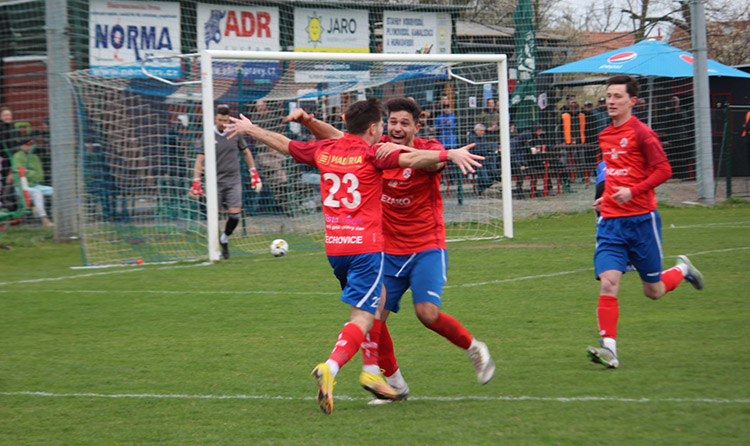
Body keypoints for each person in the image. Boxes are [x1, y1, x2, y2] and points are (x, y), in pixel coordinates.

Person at [225, 97, 483, 415]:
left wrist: (251, 128)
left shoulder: (327, 150)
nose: (396, 128)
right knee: (364, 317)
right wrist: (451, 153)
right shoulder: (375, 153)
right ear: (377, 127)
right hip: (369, 248)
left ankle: (386, 376)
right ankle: (341, 369)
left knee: (388, 309)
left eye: (404, 122)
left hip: (340, 247)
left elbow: (287, 143)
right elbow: (411, 158)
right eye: (391, 122)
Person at [587, 75, 704, 369]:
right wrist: (607, 198)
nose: (611, 101)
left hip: (642, 222)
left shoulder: (643, 133)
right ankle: (609, 350)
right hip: (611, 222)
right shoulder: (604, 135)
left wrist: (633, 191)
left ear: (632, 101)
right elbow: (615, 173)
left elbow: (664, 170)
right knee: (609, 282)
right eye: (608, 96)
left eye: (617, 97)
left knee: (653, 291)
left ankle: (683, 268)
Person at [189, 104, 262, 259]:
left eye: (225, 120)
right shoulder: (208, 135)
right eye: (220, 120)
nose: (222, 123)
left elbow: (247, 153)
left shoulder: (235, 133)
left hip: (233, 180)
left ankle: (225, 238)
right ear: (215, 118)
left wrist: (254, 173)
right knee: (214, 217)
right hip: (214, 182)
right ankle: (213, 248)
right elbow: (200, 159)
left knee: (235, 216)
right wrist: (196, 180)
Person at [12, 139, 54, 227]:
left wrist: (28, 172)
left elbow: (40, 176)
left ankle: (57, 215)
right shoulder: (17, 156)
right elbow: (19, 173)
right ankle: (44, 219)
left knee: (54, 191)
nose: (29, 147)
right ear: (21, 146)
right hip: (21, 187)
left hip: (35, 185)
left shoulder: (35, 157)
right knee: (37, 193)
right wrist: (32, 173)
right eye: (27, 145)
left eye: (31, 145)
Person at [467, 123, 500, 195]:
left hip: (483, 158)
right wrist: (488, 147)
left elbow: (484, 147)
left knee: (493, 167)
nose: (483, 132)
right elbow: (477, 148)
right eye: (481, 131)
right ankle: (483, 187)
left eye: (483, 131)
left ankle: (484, 187)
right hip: (475, 160)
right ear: (476, 130)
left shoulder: (482, 137)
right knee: (484, 172)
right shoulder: (472, 138)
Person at [1, 107, 22, 211]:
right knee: (5, 180)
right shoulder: (1, 128)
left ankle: (13, 205)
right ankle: (6, 203)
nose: (7, 117)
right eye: (5, 115)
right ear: (1, 117)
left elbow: (18, 142)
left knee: (13, 181)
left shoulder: (14, 128)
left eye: (9, 115)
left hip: (13, 158)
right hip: (4, 159)